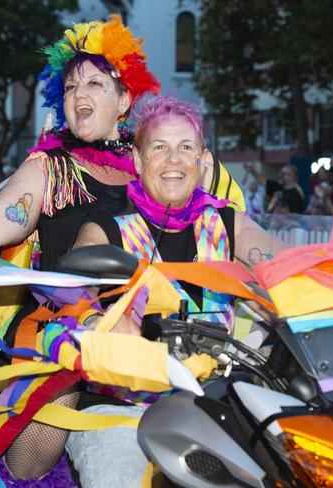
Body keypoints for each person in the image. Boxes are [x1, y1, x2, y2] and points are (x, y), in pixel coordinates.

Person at [0, 14, 247, 486]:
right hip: (64, 341)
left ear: (124, 99)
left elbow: (225, 225)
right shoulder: (50, 169)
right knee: (44, 432)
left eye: (96, 84)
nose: (79, 96)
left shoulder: (154, 160)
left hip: (156, 341)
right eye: (71, 86)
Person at [66, 95, 285, 486]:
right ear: (137, 160)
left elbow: (287, 269)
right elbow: (73, 287)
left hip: (213, 405)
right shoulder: (108, 226)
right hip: (121, 408)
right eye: (159, 147)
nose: (173, 160)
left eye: (185, 147)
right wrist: (98, 319)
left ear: (202, 161)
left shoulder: (227, 223)